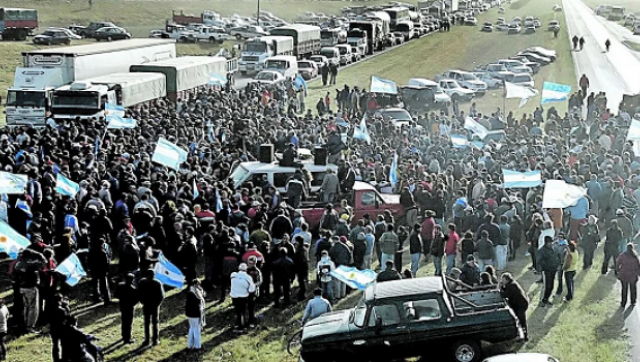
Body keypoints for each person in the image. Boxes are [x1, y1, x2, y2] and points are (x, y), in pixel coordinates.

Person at [138, 269, 165, 346]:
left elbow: (139, 294)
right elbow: (161, 296)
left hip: (147, 304)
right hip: (154, 305)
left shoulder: (142, 282)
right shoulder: (157, 283)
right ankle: (155, 340)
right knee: (155, 323)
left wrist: (142, 301)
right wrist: (157, 304)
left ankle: (147, 340)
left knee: (147, 323)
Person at [500, 272, 529, 341]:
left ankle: (525, 336)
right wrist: (502, 287)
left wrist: (500, 288)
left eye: (502, 279)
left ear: (506, 279)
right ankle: (521, 334)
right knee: (518, 319)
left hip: (520, 305)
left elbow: (505, 295)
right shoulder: (510, 284)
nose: (501, 281)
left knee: (522, 320)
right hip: (518, 304)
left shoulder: (512, 285)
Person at [537, 236, 561, 307]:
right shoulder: (542, 251)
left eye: (551, 242)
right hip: (547, 271)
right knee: (547, 286)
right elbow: (539, 261)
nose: (551, 244)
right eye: (549, 242)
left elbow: (557, 256)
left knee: (552, 286)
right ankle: (543, 300)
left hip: (553, 270)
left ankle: (546, 299)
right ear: (546, 243)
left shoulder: (553, 249)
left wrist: (558, 264)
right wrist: (545, 267)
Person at [115, 273, 139, 344]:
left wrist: (121, 298)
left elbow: (116, 295)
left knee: (124, 321)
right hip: (130, 307)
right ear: (132, 280)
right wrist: (132, 304)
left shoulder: (120, 285)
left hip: (122, 305)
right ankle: (127, 338)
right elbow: (136, 299)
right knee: (128, 323)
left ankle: (123, 335)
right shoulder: (133, 289)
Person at [617, 243, 640, 308]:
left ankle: (623, 303)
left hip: (623, 275)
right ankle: (633, 301)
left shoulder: (622, 255)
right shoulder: (635, 256)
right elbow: (638, 266)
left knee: (624, 289)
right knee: (633, 289)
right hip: (633, 275)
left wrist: (618, 271)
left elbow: (617, 263)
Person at [185, 279, 205, 349]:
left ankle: (190, 345)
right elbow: (199, 303)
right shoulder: (196, 294)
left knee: (191, 329)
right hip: (195, 314)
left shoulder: (190, 292)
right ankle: (197, 346)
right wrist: (200, 316)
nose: (199, 286)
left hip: (190, 314)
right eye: (198, 284)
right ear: (195, 285)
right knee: (197, 330)